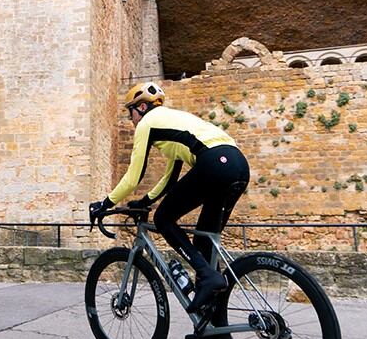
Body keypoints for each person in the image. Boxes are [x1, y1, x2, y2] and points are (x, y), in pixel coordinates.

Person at [89, 82, 249, 317]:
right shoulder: (174, 124)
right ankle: (215, 324)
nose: (131, 118)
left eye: (130, 111)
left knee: (163, 218)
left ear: (141, 107)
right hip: (238, 165)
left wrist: (105, 203)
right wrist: (145, 200)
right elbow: (169, 179)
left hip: (215, 163)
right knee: (204, 245)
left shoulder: (147, 123)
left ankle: (207, 276)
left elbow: (134, 176)